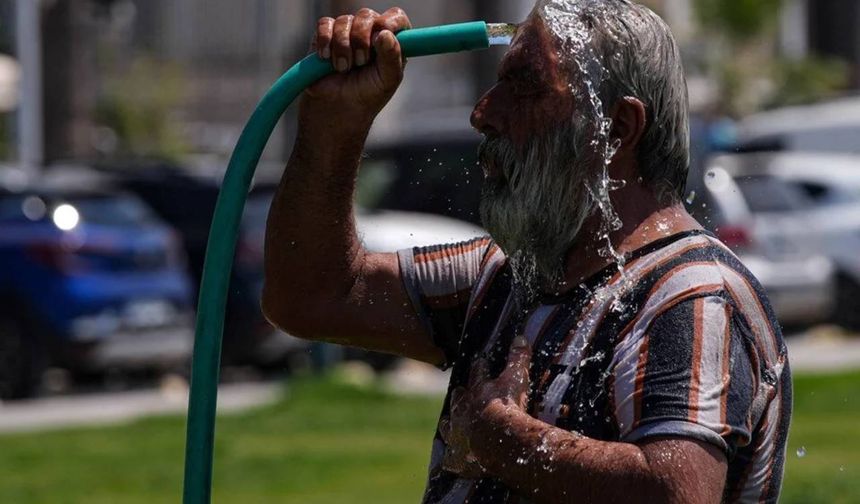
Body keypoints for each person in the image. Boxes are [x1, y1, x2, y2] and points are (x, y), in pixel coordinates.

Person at [262, 1, 792, 503]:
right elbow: (311, 296)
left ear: (618, 129)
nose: (483, 113)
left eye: (524, 85)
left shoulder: (694, 295)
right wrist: (336, 125)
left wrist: (502, 437)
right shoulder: (505, 277)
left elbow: (676, 493)